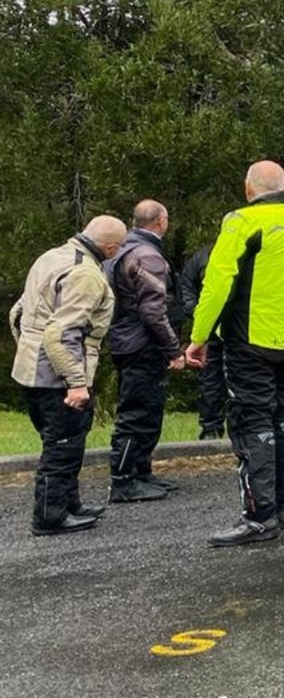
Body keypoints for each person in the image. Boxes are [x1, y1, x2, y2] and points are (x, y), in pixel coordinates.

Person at [186, 160, 284, 547]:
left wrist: (201, 335)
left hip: (248, 339)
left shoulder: (242, 223)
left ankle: (258, 515)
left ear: (249, 188)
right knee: (283, 417)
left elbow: (217, 283)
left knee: (252, 422)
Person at [10, 215, 127, 535]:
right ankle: (49, 517)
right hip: (59, 375)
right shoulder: (86, 274)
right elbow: (60, 333)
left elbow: (18, 313)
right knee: (62, 447)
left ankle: (68, 503)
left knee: (65, 443)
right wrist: (76, 381)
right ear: (111, 248)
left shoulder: (51, 256)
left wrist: (26, 350)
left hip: (30, 369)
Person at [105, 200, 185, 503]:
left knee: (147, 409)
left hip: (125, 339)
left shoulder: (120, 251)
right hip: (142, 343)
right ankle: (124, 480)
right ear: (161, 221)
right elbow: (154, 312)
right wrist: (173, 349)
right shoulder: (148, 255)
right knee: (138, 412)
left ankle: (142, 471)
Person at [180, 243, 227, 440]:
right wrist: (197, 312)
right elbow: (186, 285)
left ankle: (244, 427)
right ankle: (211, 428)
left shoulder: (252, 252)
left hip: (244, 327)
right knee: (212, 380)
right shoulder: (204, 255)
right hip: (211, 328)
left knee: (244, 379)